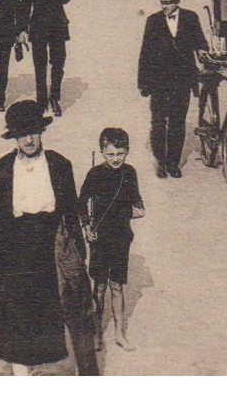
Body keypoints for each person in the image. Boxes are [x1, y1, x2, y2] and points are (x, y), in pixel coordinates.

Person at [0, 101, 92, 375]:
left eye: (33, 132)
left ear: (41, 132)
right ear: (14, 137)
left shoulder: (60, 165)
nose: (29, 139)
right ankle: (23, 373)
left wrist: (79, 252)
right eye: (22, 134)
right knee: (17, 312)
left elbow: (71, 212)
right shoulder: (1, 169)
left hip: (50, 245)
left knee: (58, 309)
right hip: (13, 248)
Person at [78, 128, 144, 353]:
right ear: (102, 152)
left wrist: (128, 211)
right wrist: (87, 227)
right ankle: (96, 335)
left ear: (127, 152)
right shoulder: (94, 174)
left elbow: (139, 205)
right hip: (99, 238)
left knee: (117, 286)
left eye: (120, 153)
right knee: (99, 287)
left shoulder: (130, 173)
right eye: (110, 154)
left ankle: (119, 334)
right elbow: (81, 203)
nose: (115, 159)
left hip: (121, 238)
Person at [137, 0, 206, 179]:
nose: (164, 6)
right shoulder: (153, 21)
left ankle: (173, 163)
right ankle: (160, 161)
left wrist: (202, 51)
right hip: (159, 81)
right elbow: (145, 53)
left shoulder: (191, 18)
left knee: (177, 123)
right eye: (162, 2)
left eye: (168, 2)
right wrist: (143, 81)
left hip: (182, 80)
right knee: (158, 122)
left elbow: (200, 41)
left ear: (177, 2)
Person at [23, 0, 72, 117]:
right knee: (40, 65)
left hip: (58, 27)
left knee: (58, 63)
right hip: (38, 28)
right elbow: (26, 5)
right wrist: (22, 29)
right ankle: (41, 100)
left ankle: (55, 98)